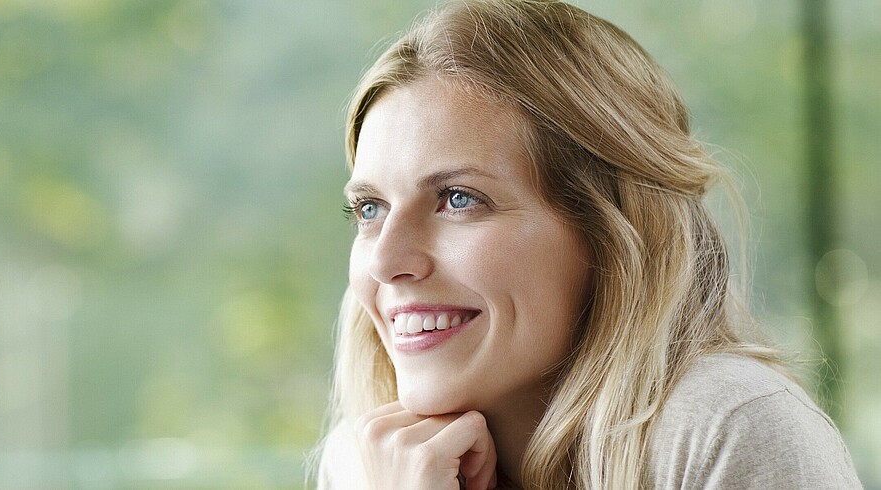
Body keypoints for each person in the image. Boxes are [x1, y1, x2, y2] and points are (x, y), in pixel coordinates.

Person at [311, 0, 864, 488]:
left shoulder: (729, 428)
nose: (385, 260)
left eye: (458, 199)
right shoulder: (372, 463)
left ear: (610, 232)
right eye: (369, 209)